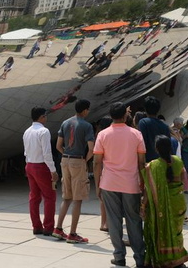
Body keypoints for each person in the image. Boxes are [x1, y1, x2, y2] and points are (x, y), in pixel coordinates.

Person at [93, 102, 146, 267]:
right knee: (134, 220)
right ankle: (140, 257)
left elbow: (97, 162)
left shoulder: (102, 135)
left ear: (111, 116)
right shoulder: (136, 134)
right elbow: (141, 162)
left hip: (109, 183)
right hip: (131, 183)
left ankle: (119, 256)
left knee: (113, 220)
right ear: (125, 115)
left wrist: (98, 185)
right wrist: (143, 183)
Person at [141, 135, 188, 268]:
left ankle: (164, 260)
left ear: (156, 149)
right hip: (178, 203)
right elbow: (185, 183)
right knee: (177, 232)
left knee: (161, 232)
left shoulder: (153, 166)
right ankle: (177, 258)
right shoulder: (178, 161)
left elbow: (148, 190)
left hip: (161, 206)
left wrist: (143, 205)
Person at [52, 99, 95, 243]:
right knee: (78, 198)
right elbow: (91, 149)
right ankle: (73, 233)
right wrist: (84, 160)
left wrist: (66, 154)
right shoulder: (87, 126)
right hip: (78, 160)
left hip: (65, 160)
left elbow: (58, 146)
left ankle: (58, 228)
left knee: (66, 197)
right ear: (85, 110)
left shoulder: (65, 123)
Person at [23, 107, 58, 236]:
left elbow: (26, 151)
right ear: (42, 117)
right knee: (49, 196)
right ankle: (48, 227)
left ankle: (36, 226)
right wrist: (53, 170)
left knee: (34, 197)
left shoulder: (27, 131)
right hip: (41, 166)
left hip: (30, 164)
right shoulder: (44, 131)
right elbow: (47, 153)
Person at [138, 96, 171, 163]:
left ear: (145, 109)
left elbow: (142, 143)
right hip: (162, 161)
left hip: (148, 162)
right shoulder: (164, 126)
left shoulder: (143, 122)